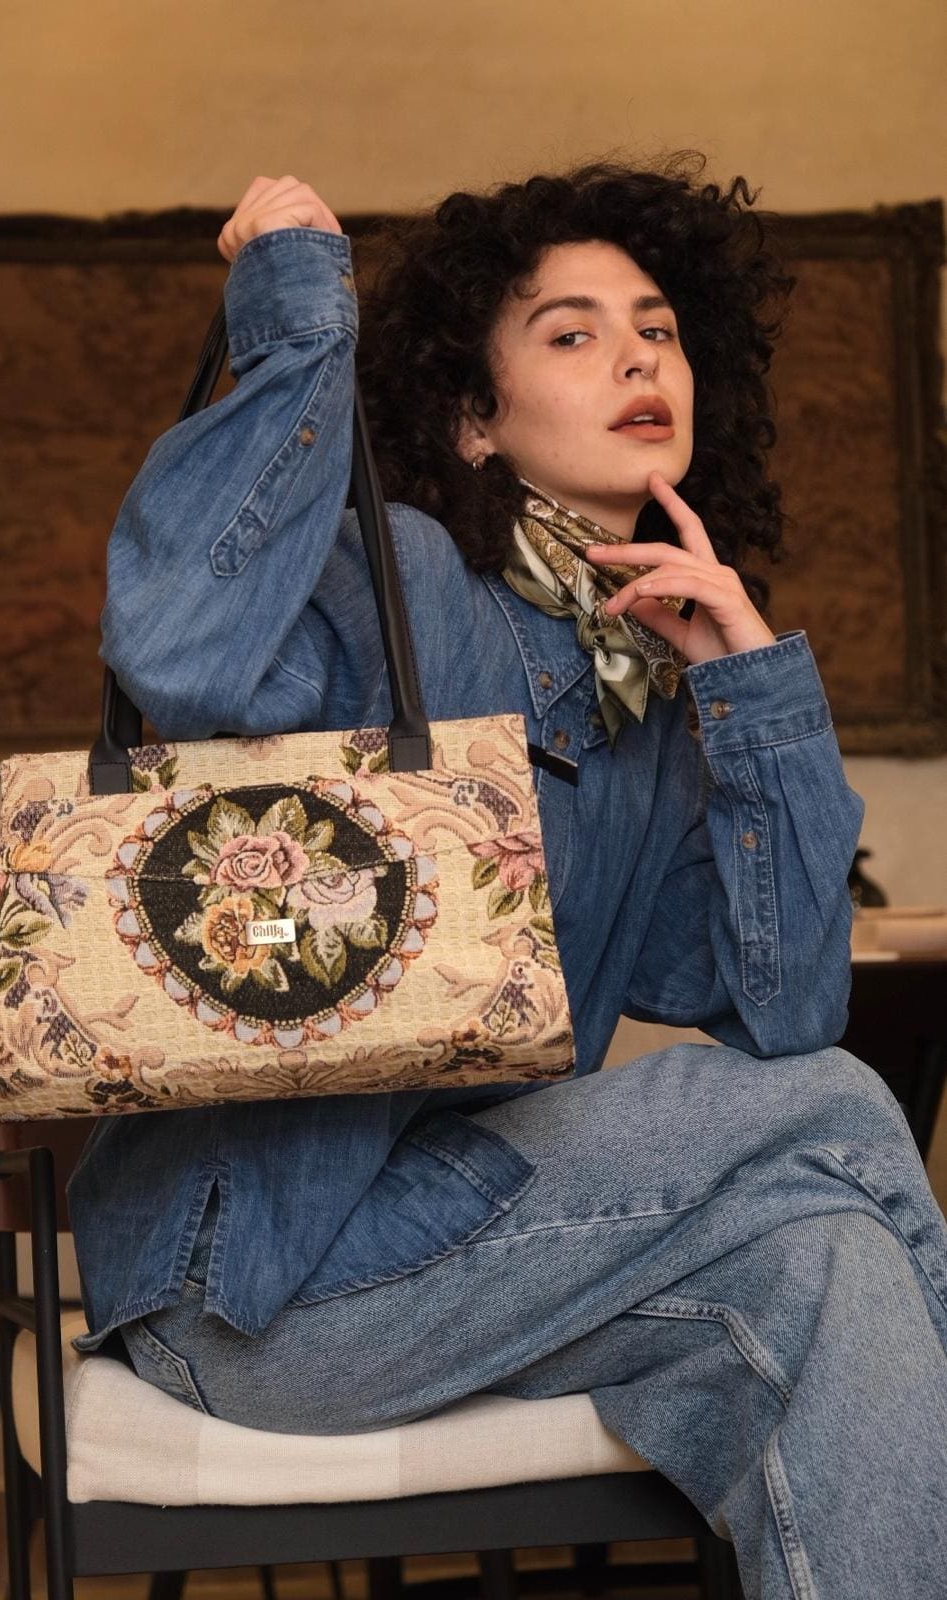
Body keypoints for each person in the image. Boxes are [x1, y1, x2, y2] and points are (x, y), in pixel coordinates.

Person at [67, 156, 947, 1598]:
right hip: (269, 1284)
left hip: (481, 1247)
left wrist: (751, 684)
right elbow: (181, 651)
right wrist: (295, 313)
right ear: (475, 422)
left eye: (658, 330)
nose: (637, 358)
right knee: (843, 1113)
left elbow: (785, 1011)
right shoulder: (405, 581)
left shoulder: (645, 687)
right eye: (572, 333)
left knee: (832, 1261)